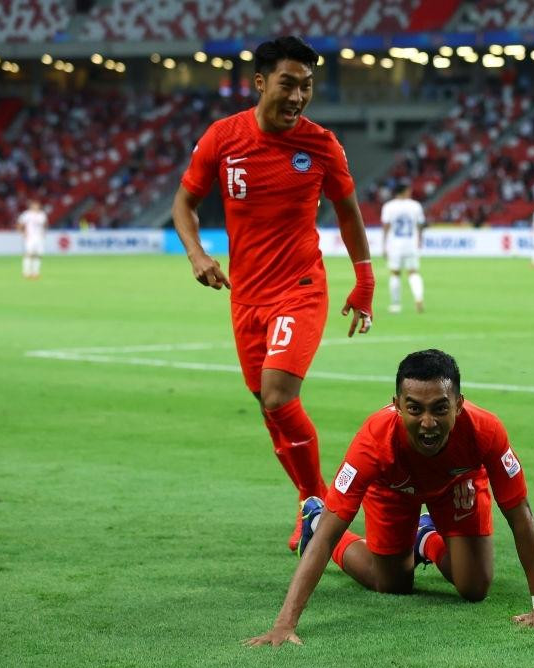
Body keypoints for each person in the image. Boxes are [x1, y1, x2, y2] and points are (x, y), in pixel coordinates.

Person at [171, 36, 375, 551]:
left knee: (280, 395)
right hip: (246, 298)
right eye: (288, 83)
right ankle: (311, 505)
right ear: (261, 82)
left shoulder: (321, 144)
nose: (298, 96)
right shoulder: (223, 137)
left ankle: (320, 505)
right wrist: (196, 253)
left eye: (307, 87)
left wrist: (365, 278)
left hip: (301, 288)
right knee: (267, 403)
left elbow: (348, 211)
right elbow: (185, 203)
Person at [246, 349, 534, 646]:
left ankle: (424, 537)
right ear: (397, 404)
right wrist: (285, 623)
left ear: (459, 404)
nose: (427, 422)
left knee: (474, 587)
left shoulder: (486, 430)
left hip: (457, 483)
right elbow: (330, 535)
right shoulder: (373, 441)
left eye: (439, 408)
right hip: (392, 489)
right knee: (392, 584)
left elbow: (521, 515)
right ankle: (312, 518)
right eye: (414, 409)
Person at [380, 183, 426, 313]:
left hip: (395, 245)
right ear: (405, 191)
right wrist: (420, 241)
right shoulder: (415, 206)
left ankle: (395, 304)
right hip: (411, 244)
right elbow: (420, 224)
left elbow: (386, 226)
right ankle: (418, 298)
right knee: (413, 272)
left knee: (395, 273)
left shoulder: (389, 206)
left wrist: (384, 245)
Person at [17, 199, 48, 279]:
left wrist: (44, 232)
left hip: (39, 238)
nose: (36, 206)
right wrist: (23, 233)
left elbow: (45, 224)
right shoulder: (26, 214)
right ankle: (26, 272)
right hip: (30, 237)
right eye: (34, 205)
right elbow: (19, 224)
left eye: (37, 205)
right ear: (31, 206)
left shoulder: (42, 215)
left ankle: (35, 272)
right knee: (28, 254)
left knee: (38, 255)